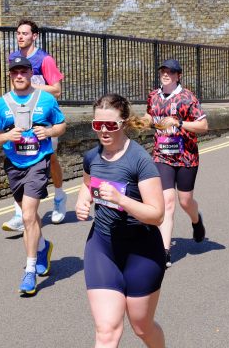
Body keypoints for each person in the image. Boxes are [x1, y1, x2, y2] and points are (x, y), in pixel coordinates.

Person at [75, 93, 166, 348]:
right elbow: (87, 184)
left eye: (111, 125)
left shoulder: (139, 160)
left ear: (123, 123)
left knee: (142, 327)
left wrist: (121, 200)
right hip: (102, 247)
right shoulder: (92, 157)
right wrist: (83, 201)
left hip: (142, 251)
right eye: (97, 125)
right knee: (107, 331)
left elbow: (157, 214)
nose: (103, 130)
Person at [0, 56, 66, 295]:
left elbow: (61, 125)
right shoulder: (1, 104)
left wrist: (49, 130)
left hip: (38, 163)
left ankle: (30, 271)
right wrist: (5, 137)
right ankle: (43, 246)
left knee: (28, 215)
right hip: (13, 164)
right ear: (10, 75)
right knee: (31, 218)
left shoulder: (46, 100)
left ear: (31, 73)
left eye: (23, 71)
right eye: (15, 72)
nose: (19, 75)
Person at [2, 19, 68, 231]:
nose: (20, 36)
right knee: (20, 157)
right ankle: (20, 214)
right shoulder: (13, 58)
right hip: (21, 117)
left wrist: (34, 85)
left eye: (25, 33)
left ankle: (59, 196)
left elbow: (56, 90)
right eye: (18, 33)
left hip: (44, 118)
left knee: (51, 158)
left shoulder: (44, 59)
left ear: (35, 36)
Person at [143, 59, 208, 268]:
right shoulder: (153, 96)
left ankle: (196, 220)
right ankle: (164, 251)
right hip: (162, 155)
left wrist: (179, 122)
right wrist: (144, 121)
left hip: (186, 156)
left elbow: (203, 125)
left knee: (185, 201)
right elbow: (149, 115)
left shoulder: (187, 97)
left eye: (170, 72)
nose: (166, 74)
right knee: (167, 202)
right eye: (163, 71)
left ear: (178, 75)